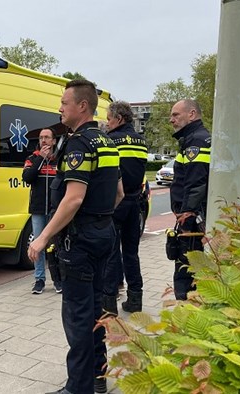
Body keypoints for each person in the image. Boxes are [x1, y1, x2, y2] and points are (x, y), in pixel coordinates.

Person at [28, 79, 123, 394]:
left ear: (82, 106)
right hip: (104, 234)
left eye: (64, 103)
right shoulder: (107, 141)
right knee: (97, 310)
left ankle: (78, 388)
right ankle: (98, 378)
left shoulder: (79, 143)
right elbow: (119, 193)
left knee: (78, 317)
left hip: (80, 242)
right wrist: (99, 220)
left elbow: (73, 198)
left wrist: (42, 239)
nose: (60, 108)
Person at [101, 101, 148, 315]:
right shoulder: (141, 141)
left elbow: (107, 174)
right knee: (131, 253)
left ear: (119, 119)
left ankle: (109, 303)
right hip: (134, 203)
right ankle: (135, 299)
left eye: (109, 118)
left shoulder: (110, 140)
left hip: (115, 202)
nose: (108, 123)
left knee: (111, 253)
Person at [168, 99, 211, 300]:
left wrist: (187, 215)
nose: (171, 120)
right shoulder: (193, 139)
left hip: (192, 220)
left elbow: (196, 182)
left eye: (176, 115)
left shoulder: (196, 141)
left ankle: (187, 315)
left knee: (186, 270)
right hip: (193, 216)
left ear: (192, 114)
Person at [22, 128, 61, 294]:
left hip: (55, 210)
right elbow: (27, 178)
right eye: (41, 138)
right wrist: (40, 159)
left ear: (53, 141)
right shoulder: (32, 159)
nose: (44, 140)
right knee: (38, 244)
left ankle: (58, 279)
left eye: (47, 137)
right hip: (38, 209)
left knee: (55, 245)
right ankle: (39, 279)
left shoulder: (59, 160)